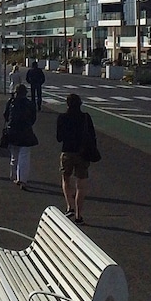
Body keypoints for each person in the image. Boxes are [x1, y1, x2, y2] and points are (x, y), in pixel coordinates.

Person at [56, 93, 97, 223]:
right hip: (83, 153)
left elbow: (59, 138)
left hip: (67, 151)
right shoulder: (85, 117)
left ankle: (70, 206)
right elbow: (92, 135)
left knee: (66, 179)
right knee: (81, 184)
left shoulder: (62, 118)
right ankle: (79, 215)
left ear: (67, 104)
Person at [3, 83, 38, 189]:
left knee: (14, 154)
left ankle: (13, 174)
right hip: (26, 132)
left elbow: (5, 115)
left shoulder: (11, 102)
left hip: (12, 131)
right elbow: (33, 118)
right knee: (24, 156)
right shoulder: (30, 104)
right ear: (25, 93)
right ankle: (22, 179)